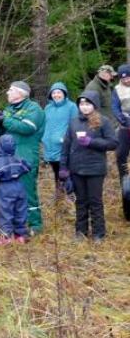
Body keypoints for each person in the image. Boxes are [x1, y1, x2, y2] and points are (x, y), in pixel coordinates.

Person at [60, 91, 118, 242]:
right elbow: (66, 146)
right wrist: (63, 168)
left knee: (95, 201)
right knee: (81, 201)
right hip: (76, 168)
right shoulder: (73, 122)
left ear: (94, 105)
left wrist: (92, 142)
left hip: (95, 169)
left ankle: (99, 233)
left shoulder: (103, 121)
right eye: (82, 104)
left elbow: (113, 143)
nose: (84, 107)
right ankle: (81, 232)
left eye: (87, 104)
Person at [0, 81, 46, 234]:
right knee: (9, 192)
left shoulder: (34, 108)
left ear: (20, 93)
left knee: (27, 191)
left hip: (26, 155)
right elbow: (1, 131)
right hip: (8, 158)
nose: (7, 92)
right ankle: (15, 225)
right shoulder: (9, 109)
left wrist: (5, 121)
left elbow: (27, 128)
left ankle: (35, 224)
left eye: (10, 90)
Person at [42, 82, 77, 200]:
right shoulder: (48, 108)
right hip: (50, 145)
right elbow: (44, 124)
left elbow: (75, 124)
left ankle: (70, 194)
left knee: (66, 170)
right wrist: (44, 138)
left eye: (59, 92)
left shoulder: (71, 106)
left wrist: (66, 138)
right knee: (56, 170)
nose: (56, 95)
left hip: (64, 145)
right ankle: (59, 194)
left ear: (64, 93)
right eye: (54, 92)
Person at [111, 64, 130, 181]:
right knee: (121, 154)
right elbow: (115, 107)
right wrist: (123, 120)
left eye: (128, 77)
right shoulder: (117, 90)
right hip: (125, 125)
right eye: (123, 79)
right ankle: (124, 179)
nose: (126, 80)